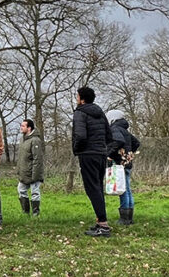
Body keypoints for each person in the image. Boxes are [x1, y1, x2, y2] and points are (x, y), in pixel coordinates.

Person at [72, 86, 111, 237]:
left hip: (88, 154)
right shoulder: (100, 113)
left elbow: (80, 135)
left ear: (82, 99)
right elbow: (109, 135)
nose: (76, 99)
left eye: (77, 96)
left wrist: (77, 149)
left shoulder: (80, 113)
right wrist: (103, 149)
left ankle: (103, 225)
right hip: (101, 154)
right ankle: (101, 222)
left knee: (92, 189)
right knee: (98, 188)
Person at [106, 109, 141, 226]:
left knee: (122, 190)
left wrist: (109, 153)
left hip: (119, 163)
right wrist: (129, 154)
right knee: (128, 189)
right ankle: (129, 216)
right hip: (127, 162)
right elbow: (136, 142)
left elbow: (118, 141)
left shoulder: (114, 129)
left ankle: (124, 219)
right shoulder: (125, 130)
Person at [15, 118, 45, 218]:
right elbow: (21, 158)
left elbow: (37, 159)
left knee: (35, 193)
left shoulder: (35, 140)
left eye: (23, 126)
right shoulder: (22, 139)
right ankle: (25, 212)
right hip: (24, 172)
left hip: (33, 172)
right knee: (21, 190)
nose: (21, 127)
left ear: (29, 128)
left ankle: (35, 213)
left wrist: (35, 175)